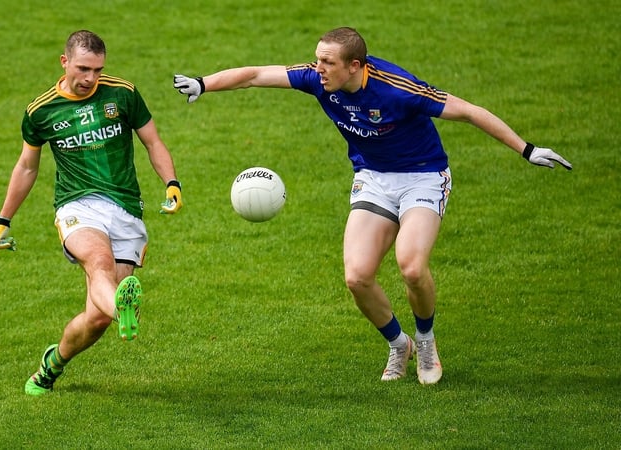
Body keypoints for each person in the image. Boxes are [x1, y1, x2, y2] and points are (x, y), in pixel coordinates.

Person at [173, 26, 570, 385]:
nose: (318, 68)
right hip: (374, 179)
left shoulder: (399, 90)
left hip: (423, 176)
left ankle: (426, 340)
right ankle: (400, 345)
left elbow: (468, 112)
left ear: (355, 66)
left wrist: (527, 150)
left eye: (327, 62)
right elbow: (257, 75)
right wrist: (202, 84)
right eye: (317, 59)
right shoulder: (318, 80)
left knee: (411, 266)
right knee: (357, 276)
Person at [0, 30, 184, 396]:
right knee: (98, 262)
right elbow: (27, 168)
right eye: (83, 68)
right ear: (64, 62)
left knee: (94, 320)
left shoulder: (122, 93)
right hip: (78, 205)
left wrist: (171, 182)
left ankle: (53, 363)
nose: (90, 78)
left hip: (126, 209)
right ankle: (121, 309)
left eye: (97, 70)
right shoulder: (41, 111)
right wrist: (4, 218)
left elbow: (152, 141)